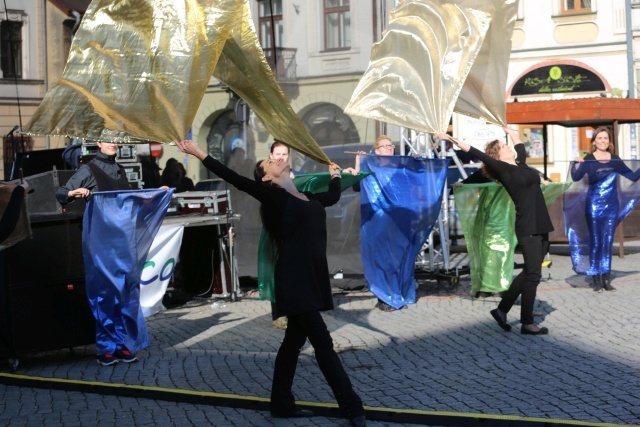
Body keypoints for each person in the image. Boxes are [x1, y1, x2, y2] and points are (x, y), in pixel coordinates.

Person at [175, 139, 366, 427]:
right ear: (266, 177)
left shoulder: (306, 196)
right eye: (269, 162)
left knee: (293, 342)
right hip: (294, 280)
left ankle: (281, 404)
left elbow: (332, 197)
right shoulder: (274, 198)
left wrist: (336, 174)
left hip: (311, 277)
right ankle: (352, 406)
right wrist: (199, 153)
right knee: (323, 342)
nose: (277, 160)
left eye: (278, 159)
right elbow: (234, 179)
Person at [444, 127, 552, 335]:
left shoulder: (520, 165)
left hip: (541, 223)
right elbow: (477, 153)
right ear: (498, 156)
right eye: (503, 147)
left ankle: (501, 310)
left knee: (530, 271)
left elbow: (520, 146)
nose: (508, 147)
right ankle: (527, 323)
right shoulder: (504, 170)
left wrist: (510, 131)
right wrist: (451, 139)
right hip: (527, 225)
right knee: (533, 276)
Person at [56, 141, 149, 365]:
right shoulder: (89, 169)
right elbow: (61, 193)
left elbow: (130, 201)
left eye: (115, 140)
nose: (114, 143)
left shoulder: (120, 169)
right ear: (98, 142)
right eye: (108, 139)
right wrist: (73, 192)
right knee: (104, 291)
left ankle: (121, 344)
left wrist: (156, 194)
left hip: (123, 240)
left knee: (124, 291)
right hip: (101, 241)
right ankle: (105, 347)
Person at [569, 127, 640, 292]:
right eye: (600, 138)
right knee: (596, 242)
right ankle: (596, 279)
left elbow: (632, 176)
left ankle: (606, 279)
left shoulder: (615, 160)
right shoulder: (589, 159)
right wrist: (575, 164)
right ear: (594, 141)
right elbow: (575, 177)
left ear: (609, 141)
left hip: (611, 207)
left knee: (607, 242)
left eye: (606, 138)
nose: (603, 141)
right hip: (593, 205)